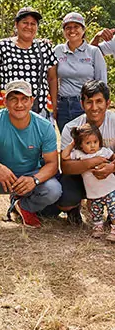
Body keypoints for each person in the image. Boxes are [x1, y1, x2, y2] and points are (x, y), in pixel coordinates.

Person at [0, 80, 61, 243]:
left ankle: (24, 207)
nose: (19, 104)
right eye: (13, 99)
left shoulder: (44, 126)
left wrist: (34, 179)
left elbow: (52, 164)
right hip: (1, 177)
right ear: (5, 101)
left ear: (32, 101)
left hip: (28, 178)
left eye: (24, 99)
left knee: (54, 189)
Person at [54, 80, 115, 225]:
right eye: (89, 102)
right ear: (82, 104)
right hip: (82, 177)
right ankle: (74, 208)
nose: (94, 107)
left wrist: (111, 168)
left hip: (111, 173)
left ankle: (110, 215)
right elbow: (66, 166)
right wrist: (92, 162)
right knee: (65, 199)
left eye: (99, 101)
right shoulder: (71, 128)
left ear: (108, 103)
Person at [0, 6, 58, 119]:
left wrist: (54, 105)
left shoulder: (44, 47)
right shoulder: (3, 46)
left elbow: (52, 78)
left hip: (39, 107)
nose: (29, 27)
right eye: (25, 23)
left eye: (33, 24)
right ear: (16, 24)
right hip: (9, 108)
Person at [61, 123, 115, 241]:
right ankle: (98, 228)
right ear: (80, 144)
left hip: (110, 189)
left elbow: (113, 158)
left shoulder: (104, 152)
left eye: (95, 142)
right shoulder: (79, 155)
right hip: (93, 193)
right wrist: (73, 143)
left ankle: (114, 229)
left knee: (113, 210)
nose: (92, 146)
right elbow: (64, 156)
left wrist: (110, 167)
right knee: (96, 212)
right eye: (88, 143)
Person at [55, 12, 106, 132]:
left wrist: (99, 106)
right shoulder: (58, 50)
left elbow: (102, 82)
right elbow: (50, 76)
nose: (72, 30)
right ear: (64, 31)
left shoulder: (93, 52)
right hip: (62, 105)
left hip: (86, 104)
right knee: (67, 143)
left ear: (83, 30)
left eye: (76, 27)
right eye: (68, 27)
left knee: (87, 143)